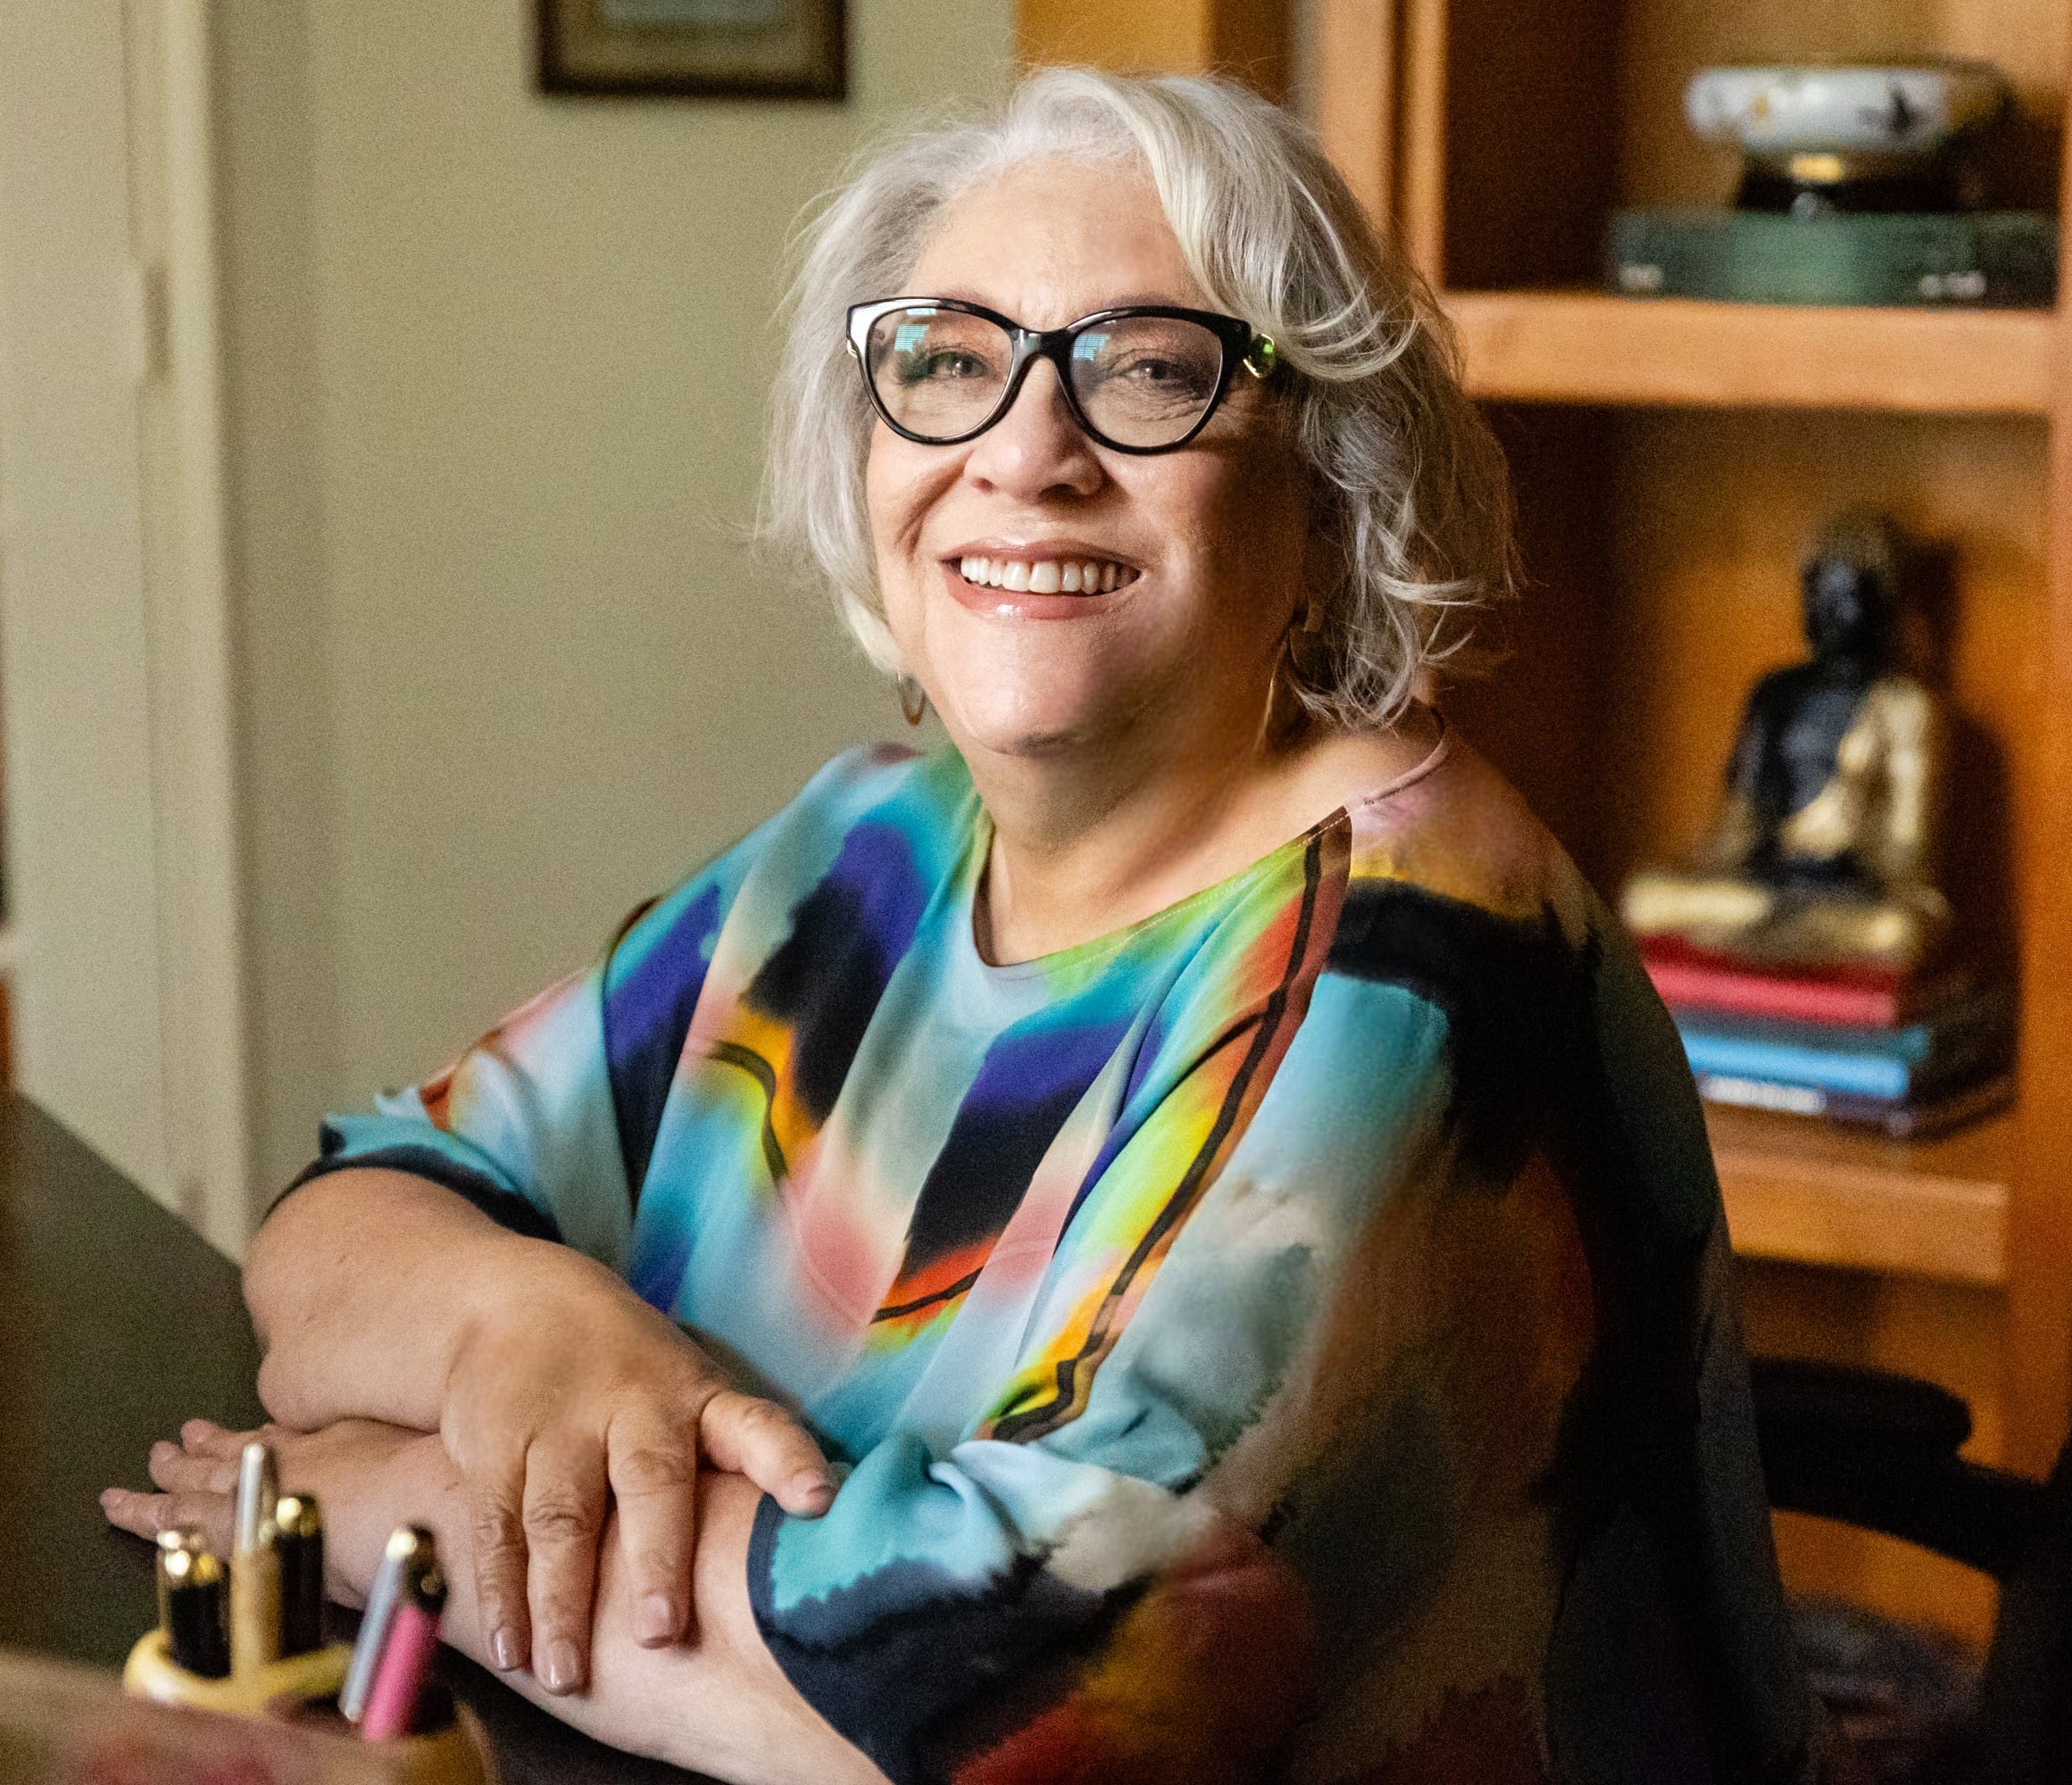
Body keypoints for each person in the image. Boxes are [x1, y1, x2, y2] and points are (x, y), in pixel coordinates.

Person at [104, 69, 1818, 1785]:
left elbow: (995, 1691)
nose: (1022, 453)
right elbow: (350, 1219)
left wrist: (383, 1502)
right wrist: (519, 1328)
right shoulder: (869, 846)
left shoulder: (1411, 959)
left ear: (1328, 482)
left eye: (1150, 370)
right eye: (945, 362)